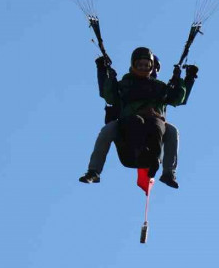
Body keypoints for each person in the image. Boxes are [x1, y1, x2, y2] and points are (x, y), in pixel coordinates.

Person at [79, 47, 197, 188]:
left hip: (153, 132)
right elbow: (109, 96)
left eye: (146, 65)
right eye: (139, 65)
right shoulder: (124, 85)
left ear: (152, 67)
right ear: (133, 65)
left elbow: (177, 99)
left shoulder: (160, 88)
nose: (143, 68)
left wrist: (181, 80)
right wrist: (104, 72)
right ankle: (94, 171)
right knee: (108, 130)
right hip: (129, 137)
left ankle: (168, 173)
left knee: (171, 131)